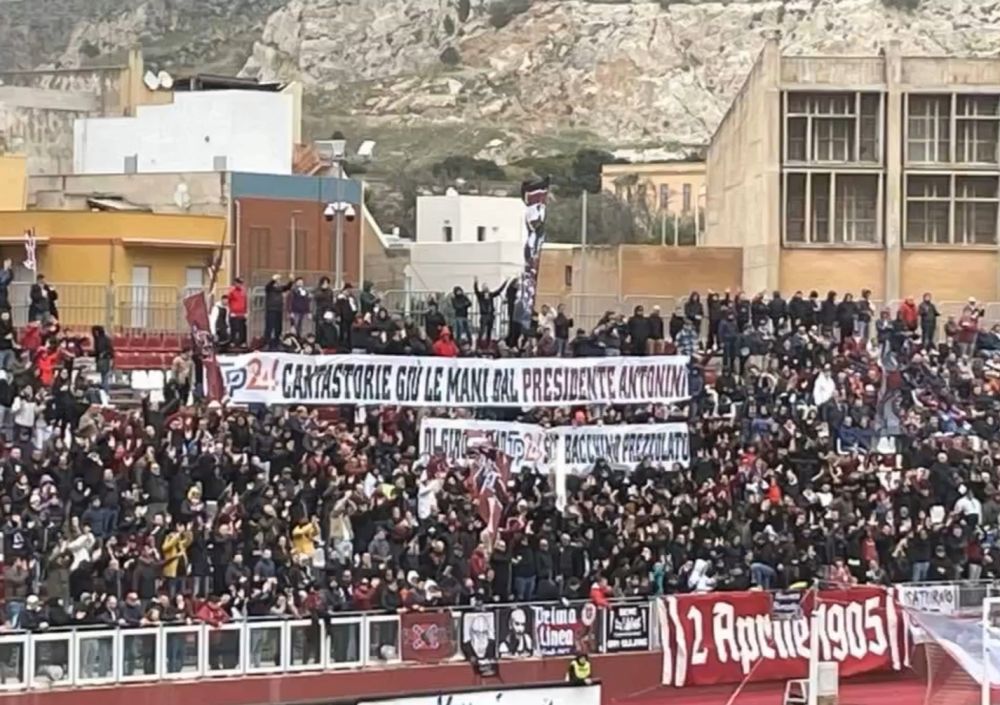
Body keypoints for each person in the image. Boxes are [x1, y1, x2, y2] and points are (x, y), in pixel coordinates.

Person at [474, 278, 505, 346]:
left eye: (486, 287)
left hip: (491, 315)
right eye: (484, 287)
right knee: (482, 330)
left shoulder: (491, 295)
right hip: (484, 315)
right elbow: (476, 291)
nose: (486, 288)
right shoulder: (480, 296)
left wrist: (505, 282)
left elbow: (499, 291)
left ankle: (488, 344)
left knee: (489, 331)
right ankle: (479, 344)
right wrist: (476, 283)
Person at [263, 274, 291, 349]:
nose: (279, 282)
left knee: (278, 327)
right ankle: (267, 343)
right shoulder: (269, 289)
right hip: (271, 310)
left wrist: (291, 281)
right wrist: (273, 279)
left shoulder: (280, 288)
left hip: (279, 310)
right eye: (277, 280)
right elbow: (268, 285)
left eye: (279, 280)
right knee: (269, 326)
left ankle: (277, 342)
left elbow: (287, 287)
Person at [91, 325, 114, 392]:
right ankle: (105, 392)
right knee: (104, 377)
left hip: (104, 360)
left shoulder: (100, 340)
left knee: (104, 377)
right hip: (105, 359)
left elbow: (99, 350)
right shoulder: (105, 339)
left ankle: (105, 392)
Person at [228, 277, 248, 348]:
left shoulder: (243, 291)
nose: (239, 284)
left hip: (242, 313)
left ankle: (242, 342)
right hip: (234, 313)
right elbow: (229, 301)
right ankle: (233, 341)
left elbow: (245, 301)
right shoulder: (232, 291)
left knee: (242, 328)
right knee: (234, 328)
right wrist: (231, 311)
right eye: (238, 283)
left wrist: (246, 312)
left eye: (241, 283)